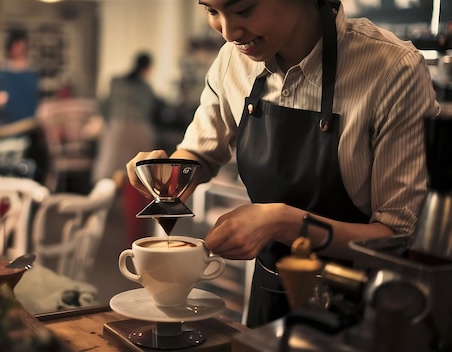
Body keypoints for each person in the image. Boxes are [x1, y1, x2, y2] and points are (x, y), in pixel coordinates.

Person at [126, 0, 439, 328]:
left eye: (244, 10)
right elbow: (200, 155)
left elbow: (397, 237)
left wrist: (284, 222)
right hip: (270, 293)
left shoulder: (393, 68)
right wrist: (166, 175)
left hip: (364, 307)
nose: (228, 33)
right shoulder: (234, 61)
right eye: (212, 11)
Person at [93, 52, 160, 243]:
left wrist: (111, 124)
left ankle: (97, 217)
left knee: (110, 176)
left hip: (118, 129)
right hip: (140, 131)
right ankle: (136, 220)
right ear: (147, 68)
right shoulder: (146, 89)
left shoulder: (115, 82)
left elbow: (103, 107)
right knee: (140, 179)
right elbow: (151, 111)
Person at [0, 29, 40, 126]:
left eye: (21, 44)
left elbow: (37, 97)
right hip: (3, 124)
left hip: (29, 124)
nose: (18, 48)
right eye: (15, 44)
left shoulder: (32, 70)